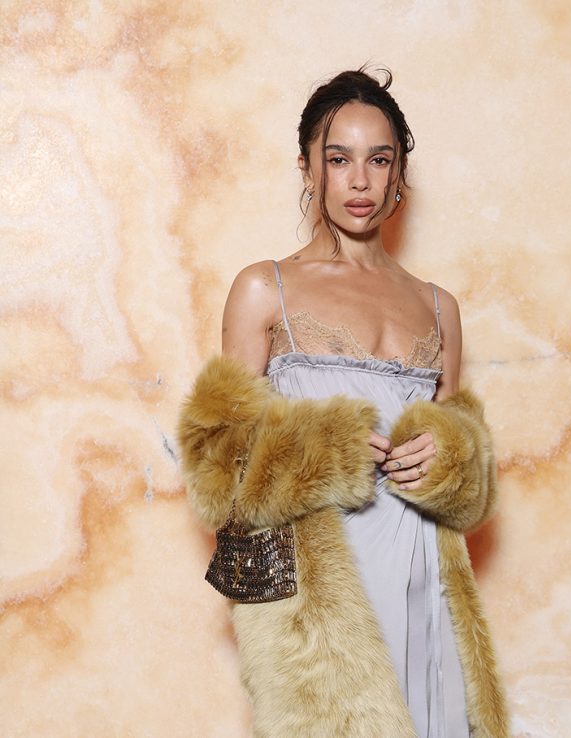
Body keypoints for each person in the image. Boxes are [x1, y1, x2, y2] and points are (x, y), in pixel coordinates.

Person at [178, 68, 508, 737]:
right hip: (321, 597)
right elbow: (216, 462)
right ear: (307, 168)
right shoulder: (264, 289)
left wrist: (448, 456)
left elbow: (471, 487)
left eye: (378, 160)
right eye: (338, 159)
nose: (360, 181)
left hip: (424, 575)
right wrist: (324, 448)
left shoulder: (438, 306)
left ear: (399, 175)